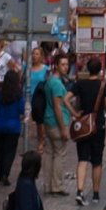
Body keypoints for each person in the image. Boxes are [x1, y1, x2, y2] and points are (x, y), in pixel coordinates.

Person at [72, 56, 106, 206]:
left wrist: (75, 113)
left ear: (88, 69)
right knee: (97, 161)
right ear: (100, 70)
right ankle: (96, 193)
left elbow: (66, 98)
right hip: (98, 125)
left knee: (82, 159)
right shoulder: (104, 86)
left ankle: (80, 191)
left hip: (84, 125)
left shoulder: (80, 84)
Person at [36, 53, 75, 196]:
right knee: (59, 154)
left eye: (67, 64)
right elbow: (58, 107)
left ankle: (47, 184)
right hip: (56, 122)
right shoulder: (57, 84)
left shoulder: (49, 81)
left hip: (47, 120)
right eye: (63, 64)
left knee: (48, 153)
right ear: (56, 65)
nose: (65, 67)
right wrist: (64, 128)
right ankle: (57, 185)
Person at [0, 68, 25, 186]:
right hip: (13, 127)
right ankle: (5, 173)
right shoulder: (18, 95)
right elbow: (22, 110)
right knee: (10, 151)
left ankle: (0, 171)